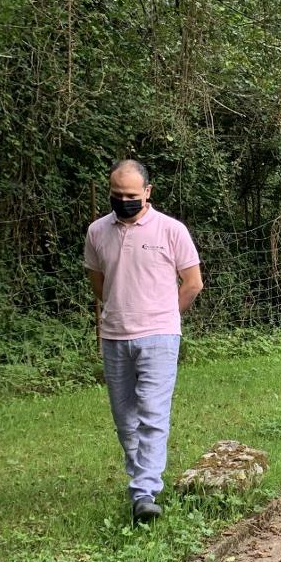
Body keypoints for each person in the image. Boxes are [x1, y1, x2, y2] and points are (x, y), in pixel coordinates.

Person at [84, 159, 203, 524]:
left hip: (159, 337)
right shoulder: (97, 232)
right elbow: (97, 281)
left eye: (131, 195)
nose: (124, 201)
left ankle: (144, 493)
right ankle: (143, 480)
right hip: (115, 337)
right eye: (117, 195)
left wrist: (166, 317)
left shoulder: (171, 230)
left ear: (147, 192)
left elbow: (193, 282)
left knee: (152, 415)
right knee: (125, 421)